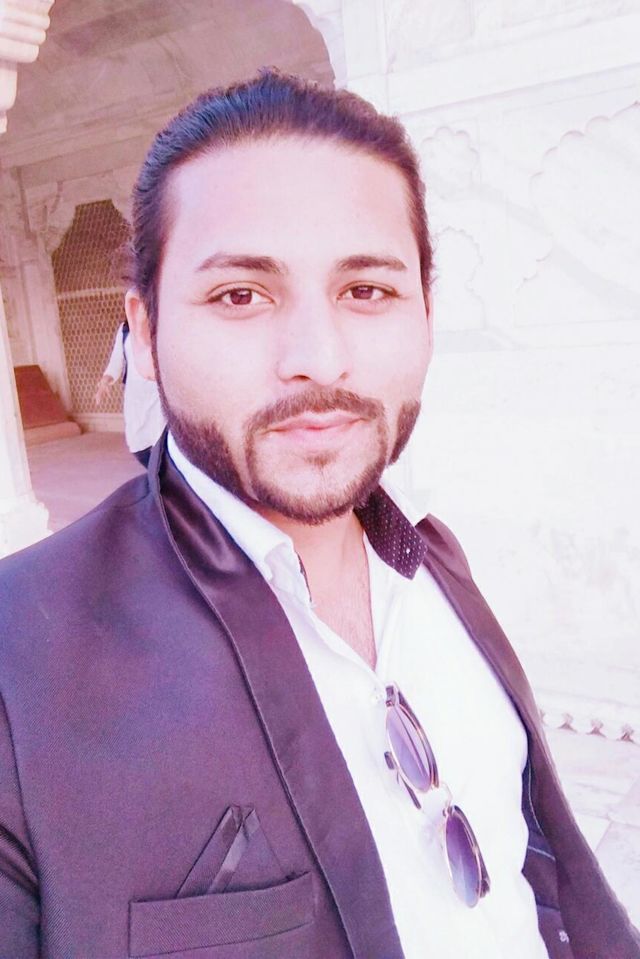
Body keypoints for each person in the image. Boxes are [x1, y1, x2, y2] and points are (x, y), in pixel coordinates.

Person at [0, 71, 637, 959]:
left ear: (426, 312)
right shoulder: (20, 665)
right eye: (240, 295)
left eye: (367, 290)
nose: (319, 357)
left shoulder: (432, 564)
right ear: (143, 333)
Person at [94, 318, 165, 466]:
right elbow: (116, 361)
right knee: (137, 444)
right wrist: (105, 381)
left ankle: (158, 476)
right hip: (135, 396)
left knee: (160, 441)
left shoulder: (161, 322)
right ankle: (156, 474)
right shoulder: (125, 329)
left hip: (158, 395)